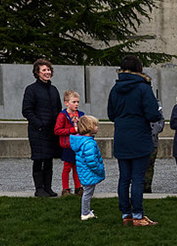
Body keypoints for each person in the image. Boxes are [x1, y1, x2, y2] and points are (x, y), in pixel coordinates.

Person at [107, 55, 162, 226]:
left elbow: (111, 114)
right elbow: (153, 114)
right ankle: (138, 215)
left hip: (122, 136)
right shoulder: (143, 88)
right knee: (137, 178)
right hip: (139, 136)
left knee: (124, 178)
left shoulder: (115, 89)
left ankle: (126, 214)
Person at [22, 58, 62, 197]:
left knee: (49, 159)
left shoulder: (53, 89)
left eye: (48, 69)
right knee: (39, 159)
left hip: (52, 131)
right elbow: (27, 110)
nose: (47, 72)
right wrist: (39, 124)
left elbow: (58, 109)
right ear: (37, 73)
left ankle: (48, 187)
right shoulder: (31, 89)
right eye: (44, 70)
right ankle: (39, 189)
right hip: (38, 131)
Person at [69, 115, 105, 221]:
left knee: (87, 192)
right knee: (88, 193)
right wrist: (99, 169)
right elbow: (92, 161)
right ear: (89, 127)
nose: (97, 127)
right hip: (89, 172)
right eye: (95, 125)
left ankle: (86, 211)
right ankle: (85, 213)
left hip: (84, 172)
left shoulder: (82, 141)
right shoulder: (89, 143)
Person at [53, 89, 83, 197]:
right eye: (74, 102)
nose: (76, 104)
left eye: (77, 102)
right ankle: (65, 189)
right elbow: (57, 130)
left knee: (77, 167)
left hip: (78, 145)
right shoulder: (62, 115)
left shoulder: (81, 114)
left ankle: (78, 187)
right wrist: (71, 130)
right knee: (67, 168)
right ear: (66, 103)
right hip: (67, 145)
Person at [143, 101, 165, 193]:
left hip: (152, 141)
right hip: (139, 141)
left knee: (150, 166)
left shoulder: (156, 104)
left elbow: (161, 120)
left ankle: (147, 188)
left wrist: (154, 130)